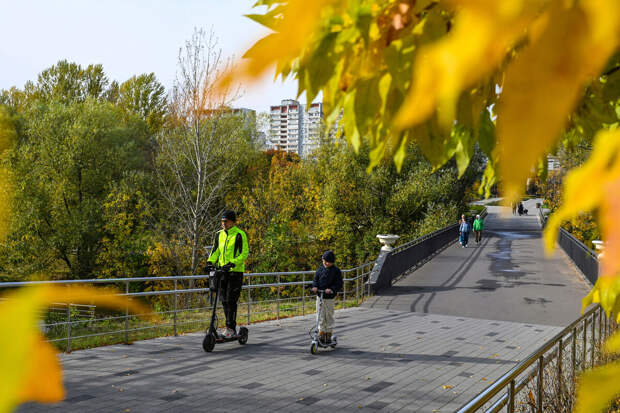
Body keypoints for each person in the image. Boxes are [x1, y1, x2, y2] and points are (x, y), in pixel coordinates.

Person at [206, 210, 249, 338]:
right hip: (222, 272)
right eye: (222, 221)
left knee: (231, 300)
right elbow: (215, 251)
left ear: (232, 222)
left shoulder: (240, 235)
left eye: (226, 221)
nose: (223, 223)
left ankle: (231, 328)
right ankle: (228, 327)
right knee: (224, 300)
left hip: (235, 272)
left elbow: (244, 253)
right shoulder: (219, 235)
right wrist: (209, 262)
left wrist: (232, 263)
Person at [311, 250, 343, 345]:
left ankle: (328, 334)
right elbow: (315, 279)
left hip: (329, 297)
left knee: (328, 315)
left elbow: (339, 283)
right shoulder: (320, 269)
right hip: (320, 296)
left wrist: (331, 289)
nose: (325, 263)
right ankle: (321, 333)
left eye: (327, 261)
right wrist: (314, 287)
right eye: (323, 260)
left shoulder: (336, 271)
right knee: (320, 315)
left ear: (332, 262)